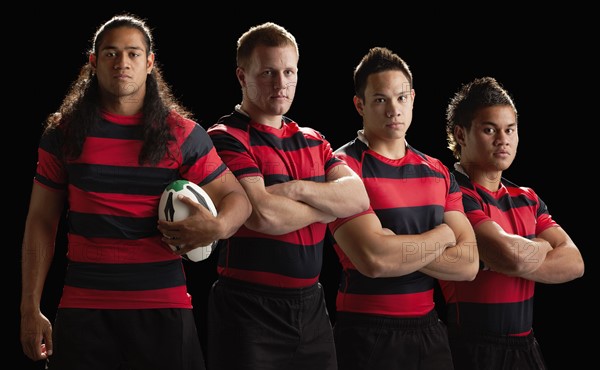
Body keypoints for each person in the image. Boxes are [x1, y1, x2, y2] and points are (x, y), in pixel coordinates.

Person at [19, 14, 251, 370]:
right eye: (111, 54)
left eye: (132, 53)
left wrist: (218, 227)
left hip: (163, 307)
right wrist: (30, 308)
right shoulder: (62, 134)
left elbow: (238, 200)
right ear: (94, 63)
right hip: (84, 308)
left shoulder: (182, 134)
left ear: (150, 63)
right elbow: (40, 220)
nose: (122, 63)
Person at [205, 22, 370, 370]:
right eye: (268, 72)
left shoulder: (313, 138)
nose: (281, 84)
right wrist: (325, 206)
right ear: (241, 76)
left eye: (289, 71)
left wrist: (295, 190)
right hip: (248, 308)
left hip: (311, 305)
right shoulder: (225, 136)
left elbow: (357, 198)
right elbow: (262, 215)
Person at [327, 46, 479, 370]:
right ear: (360, 105)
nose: (393, 109)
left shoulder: (437, 170)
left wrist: (395, 247)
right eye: (380, 99)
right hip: (365, 334)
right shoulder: (342, 168)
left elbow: (468, 265)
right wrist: (443, 233)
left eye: (400, 97)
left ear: (412, 98)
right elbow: (375, 260)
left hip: (430, 332)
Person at [440, 76, 585, 369]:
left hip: (526, 346)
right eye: (489, 129)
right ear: (462, 135)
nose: (502, 139)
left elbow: (575, 262)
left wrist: (510, 258)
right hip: (471, 347)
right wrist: (541, 246)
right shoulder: (452, 193)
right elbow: (511, 257)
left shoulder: (527, 197)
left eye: (510, 130)